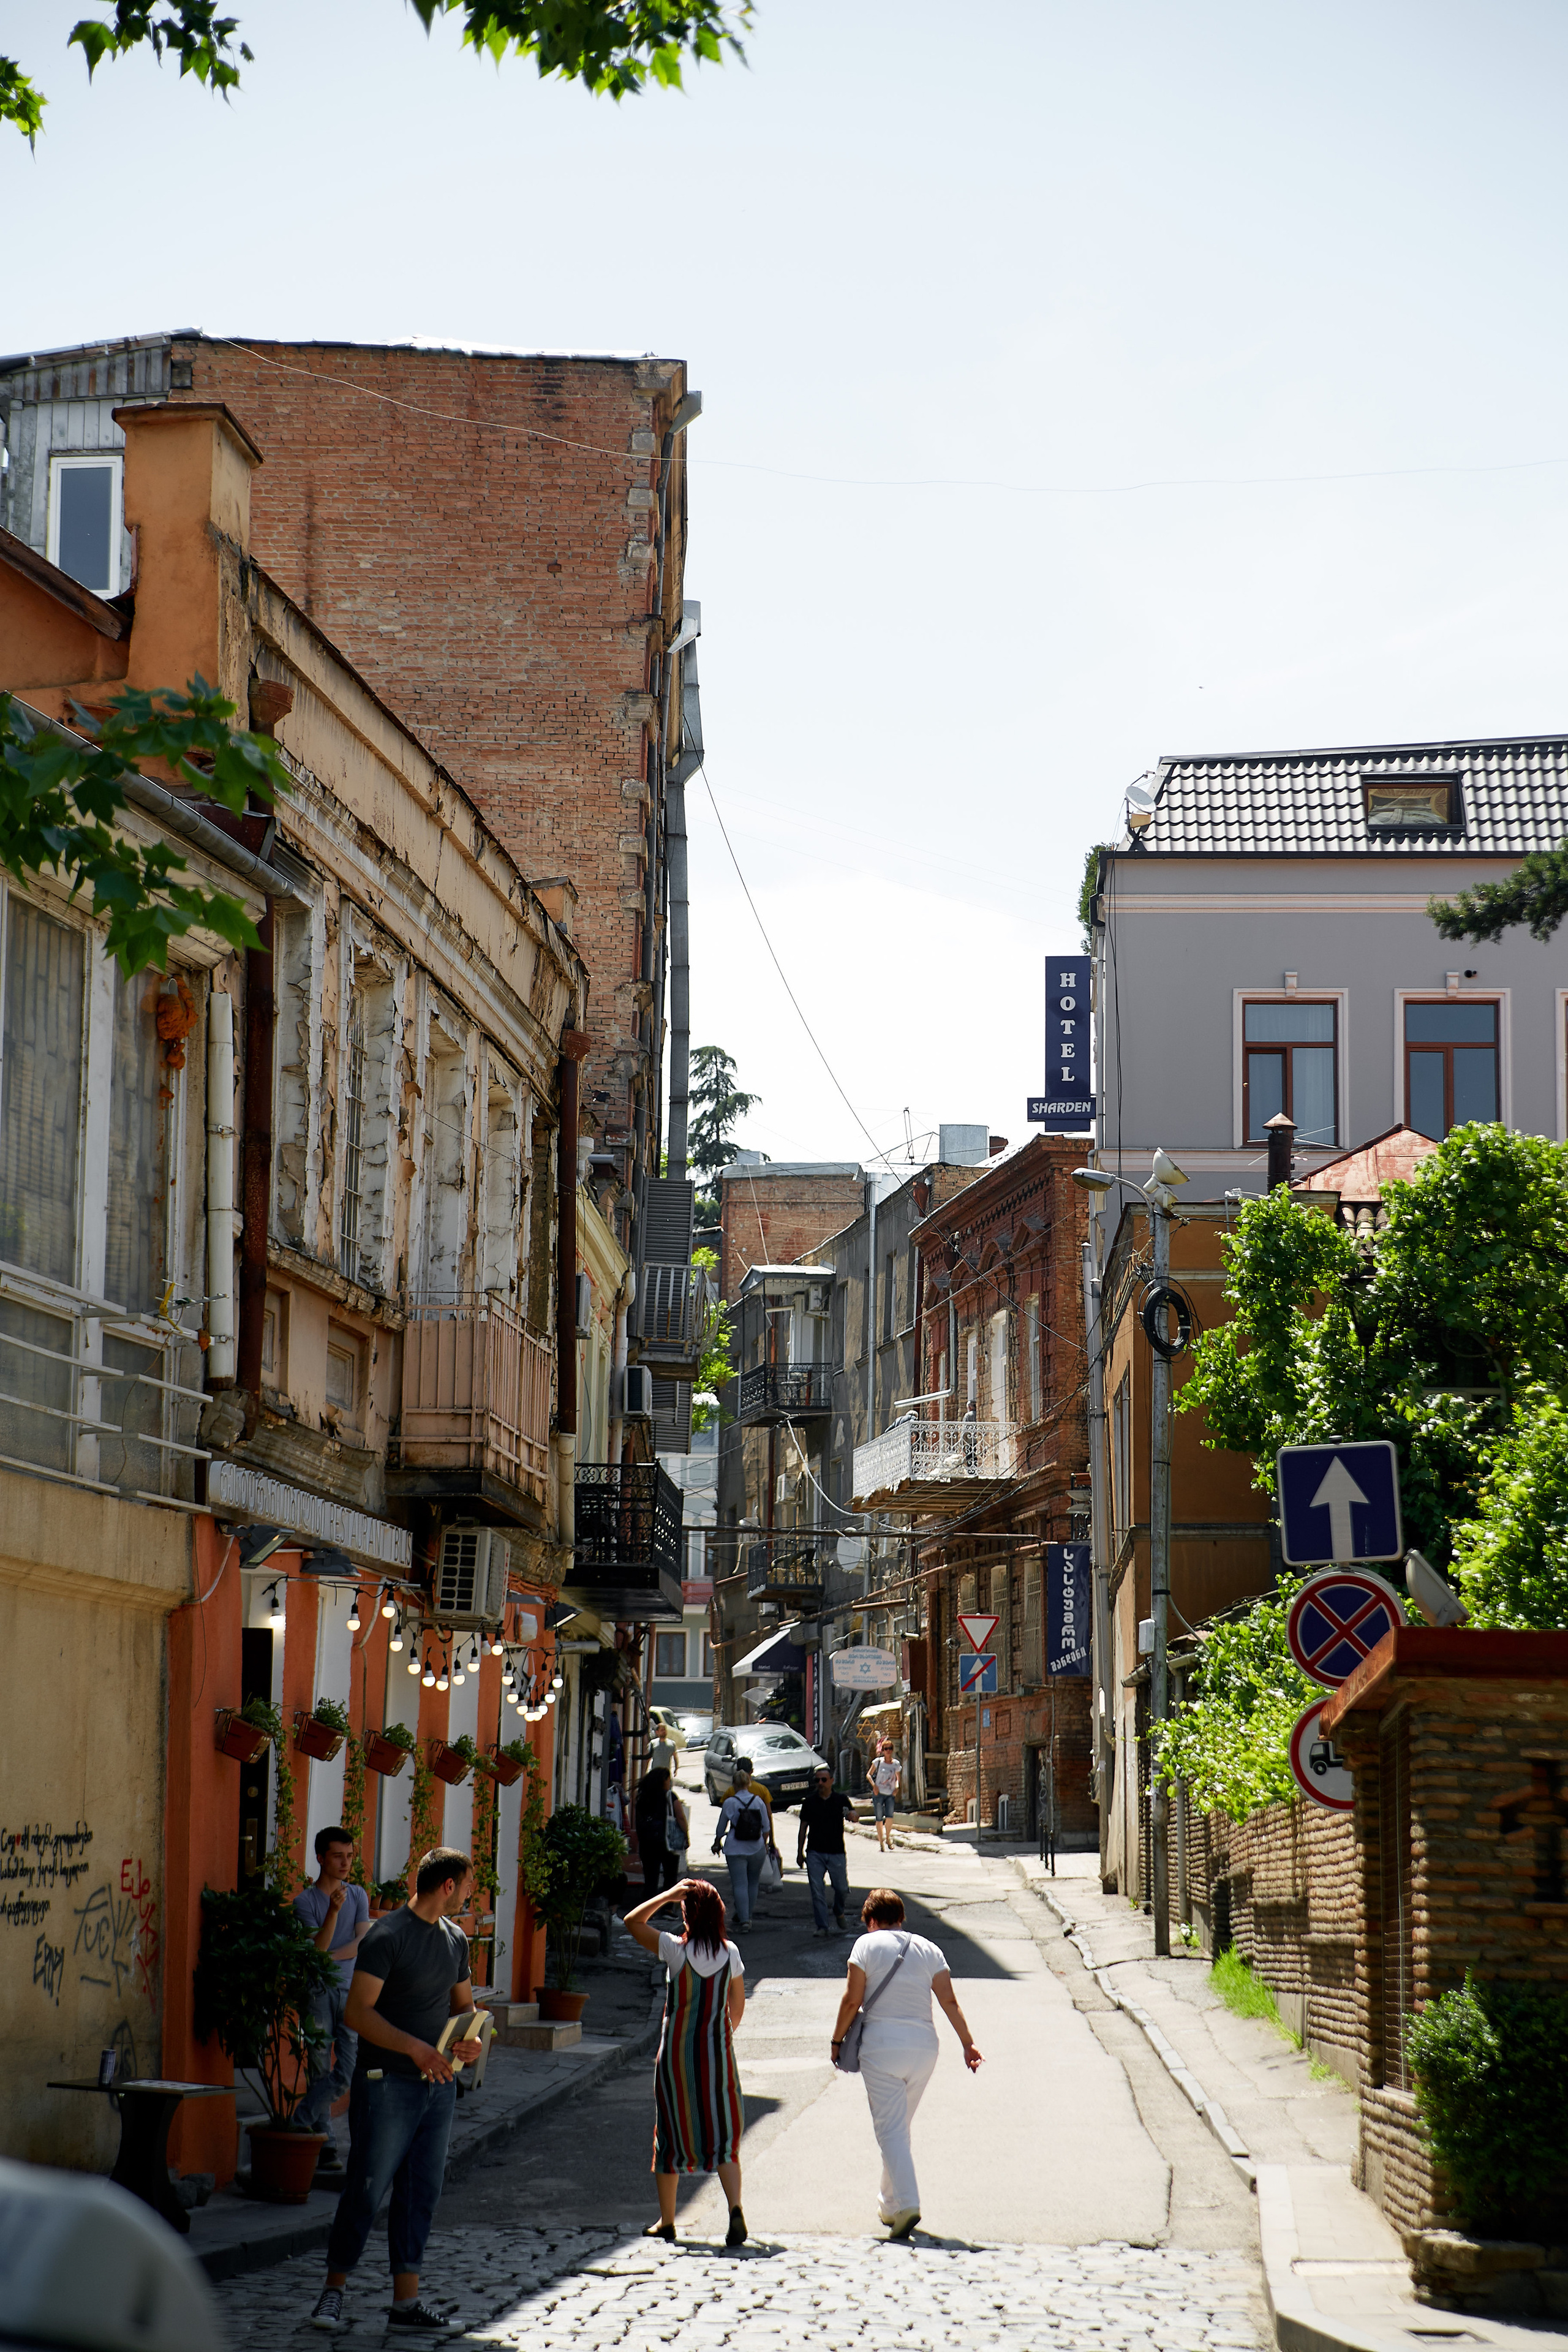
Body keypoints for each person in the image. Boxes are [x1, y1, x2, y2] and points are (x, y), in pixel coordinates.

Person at [308, 1848, 484, 2334]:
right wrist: (416, 2050)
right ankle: (332, 2294)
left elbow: (465, 2010)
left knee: (420, 2193)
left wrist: (468, 2043)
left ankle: (406, 2305)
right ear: (447, 1885)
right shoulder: (388, 1936)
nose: (471, 1893)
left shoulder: (456, 1941)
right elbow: (358, 2013)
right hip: (385, 2085)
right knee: (366, 2188)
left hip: (438, 2086)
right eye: (468, 1884)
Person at [830, 1886, 982, 2242]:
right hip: (924, 2049)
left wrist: (837, 2041)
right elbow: (949, 2001)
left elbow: (852, 2001)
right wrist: (968, 2043)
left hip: (882, 2048)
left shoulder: (865, 1946)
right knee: (898, 2128)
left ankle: (909, 2204)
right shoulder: (929, 1949)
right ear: (901, 1918)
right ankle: (889, 2204)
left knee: (890, 2130)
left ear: (870, 1921)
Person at [622, 1874, 747, 2248]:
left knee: (671, 2134)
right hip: (717, 2055)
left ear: (688, 1914)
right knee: (723, 2134)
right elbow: (737, 2008)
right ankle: (736, 2209)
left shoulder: (675, 1950)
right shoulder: (731, 1953)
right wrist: (721, 2037)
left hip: (676, 2058)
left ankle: (667, 2221)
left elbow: (632, 1922)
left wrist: (668, 1894)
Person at [293, 1825, 372, 2175]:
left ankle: (301, 2119)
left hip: (352, 1992)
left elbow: (362, 1944)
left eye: (350, 1856)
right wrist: (333, 1914)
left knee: (348, 2069)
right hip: (318, 1992)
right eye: (338, 1856)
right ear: (321, 1858)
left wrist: (328, 1957)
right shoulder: (304, 1902)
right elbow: (317, 1949)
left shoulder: (359, 1895)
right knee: (319, 2066)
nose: (345, 1863)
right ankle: (325, 2143)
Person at [796, 1765, 856, 1937]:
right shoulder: (809, 1802)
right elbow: (803, 1829)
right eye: (817, 1780)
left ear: (831, 1781)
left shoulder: (841, 1800)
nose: (820, 1783)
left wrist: (854, 1815)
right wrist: (800, 1852)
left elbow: (853, 1814)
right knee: (817, 1889)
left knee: (842, 1889)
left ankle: (839, 1910)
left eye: (824, 1780)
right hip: (815, 1852)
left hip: (836, 1851)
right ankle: (822, 1926)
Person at [711, 1760, 772, 1931]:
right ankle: (748, 1917)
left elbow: (721, 1827)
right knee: (753, 1883)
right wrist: (764, 1844)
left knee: (739, 1884)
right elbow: (766, 1827)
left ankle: (744, 1919)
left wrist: (717, 1842)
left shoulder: (730, 1802)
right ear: (748, 1783)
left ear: (734, 1785)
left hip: (735, 1848)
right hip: (756, 1847)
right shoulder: (758, 1801)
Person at [634, 1765, 688, 1909]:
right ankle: (667, 1910)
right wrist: (686, 1836)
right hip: (667, 1842)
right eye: (668, 1779)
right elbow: (681, 1817)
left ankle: (648, 1910)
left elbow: (638, 1821)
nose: (670, 1782)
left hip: (648, 1843)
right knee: (670, 1878)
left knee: (651, 1878)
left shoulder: (643, 1796)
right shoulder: (670, 1796)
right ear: (663, 1780)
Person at [867, 1741, 903, 1855]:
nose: (888, 1751)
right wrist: (874, 1786)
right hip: (879, 1793)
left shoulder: (896, 1764)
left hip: (890, 1794)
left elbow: (898, 1778)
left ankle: (888, 1838)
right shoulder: (878, 1762)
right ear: (883, 1751)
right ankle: (881, 1842)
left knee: (890, 1817)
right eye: (886, 1749)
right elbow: (868, 1774)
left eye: (890, 1748)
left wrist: (897, 1788)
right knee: (879, 1818)